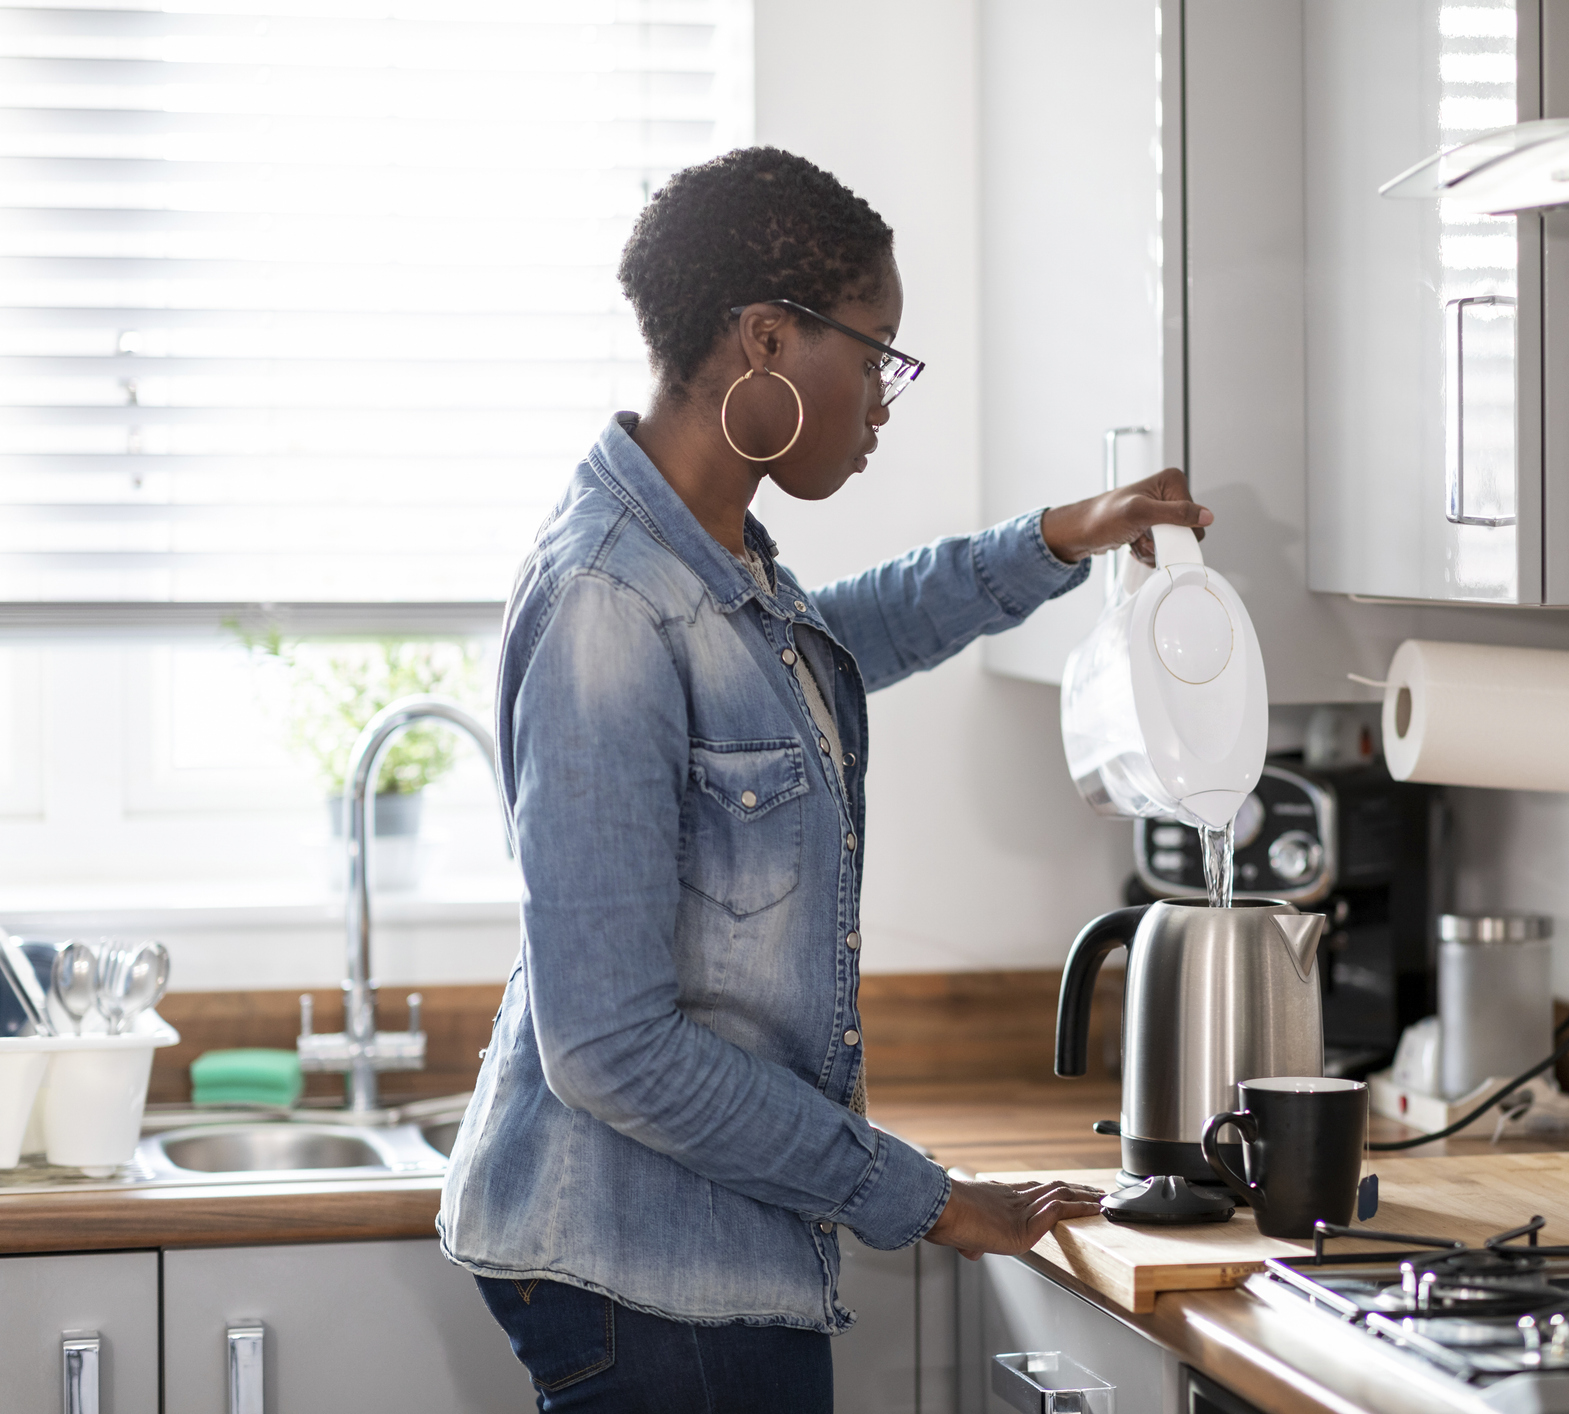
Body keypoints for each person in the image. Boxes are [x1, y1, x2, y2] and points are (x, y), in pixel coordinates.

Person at [438, 147, 1212, 1411]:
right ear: (762, 341)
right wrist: (923, 1196)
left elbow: (850, 637)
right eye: (875, 353)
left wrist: (1059, 539)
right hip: (647, 1276)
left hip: (698, 1256)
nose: (883, 398)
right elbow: (612, 1048)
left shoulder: (712, 570)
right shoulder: (608, 604)